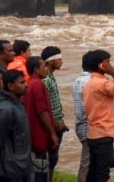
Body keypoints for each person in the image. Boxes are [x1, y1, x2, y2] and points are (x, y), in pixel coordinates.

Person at [83, 49, 114, 182]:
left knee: (93, 172)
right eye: (108, 62)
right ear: (101, 65)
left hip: (93, 133)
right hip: (103, 133)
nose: (111, 65)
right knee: (102, 174)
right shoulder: (102, 83)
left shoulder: (90, 82)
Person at [0, 70, 31, 182]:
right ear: (10, 86)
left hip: (22, 165)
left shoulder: (18, 104)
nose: (26, 85)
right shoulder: (6, 110)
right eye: (21, 83)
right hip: (10, 169)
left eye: (25, 81)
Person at [22, 56, 57, 182]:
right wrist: (53, 133)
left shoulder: (30, 83)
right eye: (43, 66)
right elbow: (42, 111)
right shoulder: (37, 85)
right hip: (39, 137)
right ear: (36, 69)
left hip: (32, 136)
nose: (46, 69)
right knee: (40, 174)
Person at [41, 46, 68, 180]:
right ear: (51, 62)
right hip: (53, 125)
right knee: (51, 158)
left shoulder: (50, 77)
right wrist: (55, 124)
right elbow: (46, 106)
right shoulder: (46, 80)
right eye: (59, 59)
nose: (61, 62)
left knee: (53, 157)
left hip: (57, 123)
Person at [71, 53, 92, 182]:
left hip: (81, 125)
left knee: (90, 162)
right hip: (90, 128)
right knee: (87, 164)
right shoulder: (91, 82)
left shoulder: (78, 81)